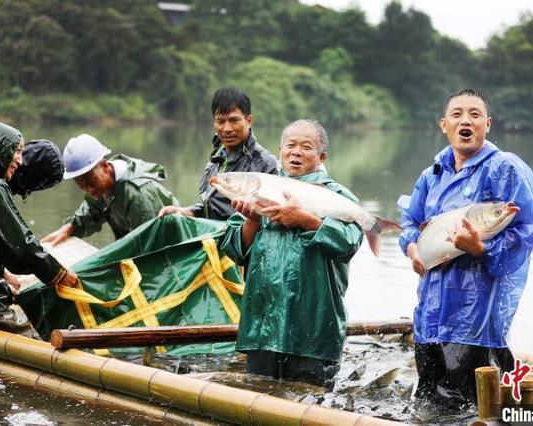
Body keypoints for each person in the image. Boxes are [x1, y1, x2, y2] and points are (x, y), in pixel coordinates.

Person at [398, 89, 533, 404]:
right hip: (429, 316)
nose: (466, 120)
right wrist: (411, 247)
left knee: (472, 408)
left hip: (475, 319)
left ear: (488, 124)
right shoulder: (432, 173)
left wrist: (481, 248)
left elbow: (527, 230)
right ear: (443, 125)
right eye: (457, 114)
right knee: (428, 402)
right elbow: (410, 221)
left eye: (475, 115)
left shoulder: (502, 168)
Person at [221, 119, 363, 389]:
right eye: (290, 145)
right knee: (256, 403)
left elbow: (349, 244)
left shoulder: (338, 196)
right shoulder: (259, 187)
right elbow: (233, 250)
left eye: (306, 147)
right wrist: (251, 219)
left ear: (321, 157)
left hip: (314, 328)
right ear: (280, 150)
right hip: (262, 325)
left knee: (311, 407)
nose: (296, 152)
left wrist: (306, 220)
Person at [0, 121, 78, 336]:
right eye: (16, 151)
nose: (20, 160)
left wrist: (2, 273)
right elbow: (21, 247)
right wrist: (59, 274)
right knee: (28, 341)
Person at [159, 86, 278, 220]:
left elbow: (272, 217)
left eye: (234, 120)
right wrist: (185, 211)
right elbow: (210, 207)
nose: (227, 129)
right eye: (220, 121)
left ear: (249, 121)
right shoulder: (215, 160)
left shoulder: (266, 163)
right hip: (213, 238)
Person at [42, 134, 179, 245]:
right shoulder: (103, 186)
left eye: (90, 182)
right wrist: (70, 228)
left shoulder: (137, 193)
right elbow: (91, 213)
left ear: (105, 166)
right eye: (81, 185)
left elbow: (154, 245)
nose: (88, 190)